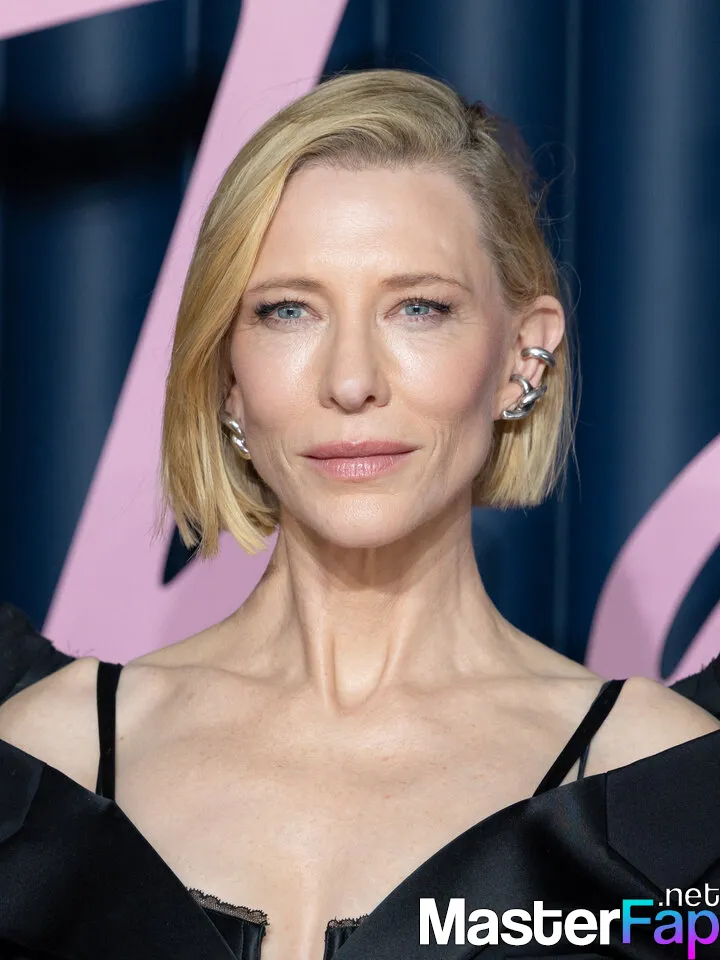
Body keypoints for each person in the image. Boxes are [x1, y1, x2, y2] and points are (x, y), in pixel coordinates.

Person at [0, 68, 719, 960]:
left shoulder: (659, 783)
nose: (350, 381)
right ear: (227, 374)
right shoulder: (46, 761)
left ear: (521, 359)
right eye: (287, 311)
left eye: (419, 308)